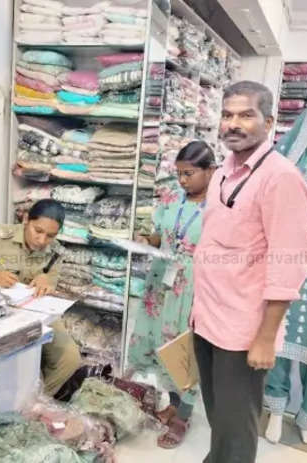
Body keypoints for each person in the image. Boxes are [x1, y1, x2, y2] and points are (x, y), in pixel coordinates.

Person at [191, 81, 307, 462]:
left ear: (269, 121)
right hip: (208, 318)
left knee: (238, 430)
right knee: (218, 419)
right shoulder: (224, 170)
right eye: (227, 115)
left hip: (242, 332)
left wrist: (265, 338)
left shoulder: (281, 178)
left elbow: (288, 264)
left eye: (246, 115)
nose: (233, 124)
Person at [0, 199, 108, 400]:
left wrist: (46, 282)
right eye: (38, 230)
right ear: (26, 219)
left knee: (69, 358)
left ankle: (38, 401)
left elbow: (50, 287)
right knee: (4, 362)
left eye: (51, 235)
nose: (42, 240)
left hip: (36, 312)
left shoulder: (55, 252)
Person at [129, 141, 216, 449]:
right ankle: (173, 402)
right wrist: (145, 240)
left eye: (189, 174)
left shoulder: (220, 205)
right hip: (160, 279)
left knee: (184, 348)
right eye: (178, 173)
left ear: (210, 171)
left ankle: (184, 415)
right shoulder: (171, 197)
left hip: (193, 283)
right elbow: (162, 235)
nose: (182, 180)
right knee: (157, 341)